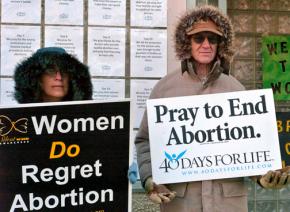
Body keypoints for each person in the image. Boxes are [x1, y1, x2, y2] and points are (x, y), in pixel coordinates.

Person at [135, 5, 290, 212]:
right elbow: (145, 140)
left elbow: (250, 149)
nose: (206, 44)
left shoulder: (236, 89)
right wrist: (149, 180)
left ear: (220, 44)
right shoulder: (164, 89)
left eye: (213, 39)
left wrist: (263, 177)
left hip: (228, 204)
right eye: (199, 38)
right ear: (186, 42)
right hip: (181, 204)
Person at [14, 47, 92, 103]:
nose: (59, 77)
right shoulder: (20, 118)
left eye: (64, 71)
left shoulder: (90, 117)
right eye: (51, 71)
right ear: (37, 78)